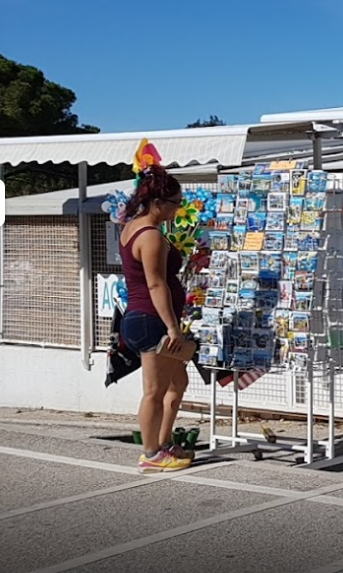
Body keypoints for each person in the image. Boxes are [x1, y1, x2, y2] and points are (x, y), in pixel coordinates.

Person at [118, 164, 197, 472]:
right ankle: (150, 454)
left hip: (145, 318)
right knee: (154, 390)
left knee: (178, 382)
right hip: (151, 320)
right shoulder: (149, 235)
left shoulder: (133, 226)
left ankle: (163, 444)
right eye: (176, 202)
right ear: (159, 202)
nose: (178, 209)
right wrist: (172, 328)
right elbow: (155, 283)